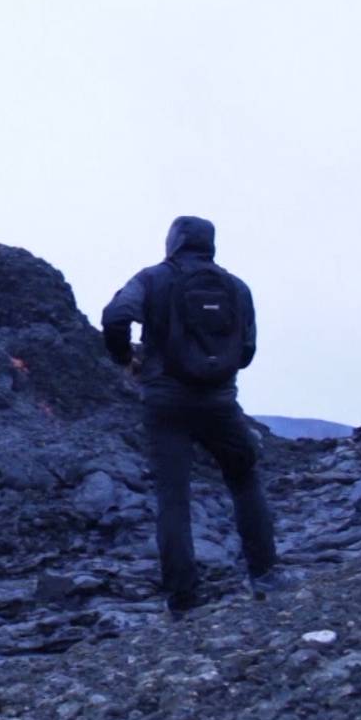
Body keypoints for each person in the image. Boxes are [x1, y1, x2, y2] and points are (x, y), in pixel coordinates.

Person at [101, 216, 294, 615]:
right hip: (219, 403)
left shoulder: (153, 279)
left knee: (173, 497)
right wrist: (215, 370)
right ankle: (265, 575)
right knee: (244, 479)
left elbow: (115, 317)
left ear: (172, 242)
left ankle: (184, 601)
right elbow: (247, 350)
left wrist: (125, 358)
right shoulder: (236, 287)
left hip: (165, 402)